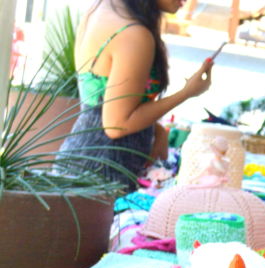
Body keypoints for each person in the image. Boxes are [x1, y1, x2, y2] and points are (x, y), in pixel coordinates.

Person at [59, 0, 214, 189]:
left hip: (82, 160)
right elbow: (116, 125)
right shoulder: (134, 34)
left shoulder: (104, 7)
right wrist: (187, 92)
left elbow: (104, 104)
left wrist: (157, 131)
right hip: (106, 170)